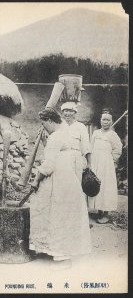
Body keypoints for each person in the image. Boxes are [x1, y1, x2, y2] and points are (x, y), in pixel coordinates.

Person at [29, 108, 91, 269]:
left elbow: (48, 165)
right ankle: (48, 250)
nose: (44, 127)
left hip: (59, 180)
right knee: (58, 215)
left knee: (58, 216)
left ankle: (63, 258)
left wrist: (36, 180)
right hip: (67, 178)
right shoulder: (66, 133)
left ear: (49, 121)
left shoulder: (56, 137)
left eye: (44, 124)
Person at [88, 112, 122, 224]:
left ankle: (106, 214)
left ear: (111, 122)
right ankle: (98, 211)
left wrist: (111, 160)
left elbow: (118, 149)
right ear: (100, 121)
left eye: (108, 120)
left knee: (106, 187)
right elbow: (91, 147)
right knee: (96, 185)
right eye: (103, 119)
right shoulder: (96, 133)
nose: (105, 122)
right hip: (95, 163)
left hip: (107, 165)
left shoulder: (113, 135)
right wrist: (90, 162)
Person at [60, 102, 91, 182]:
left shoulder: (81, 126)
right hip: (62, 158)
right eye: (65, 111)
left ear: (75, 113)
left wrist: (89, 163)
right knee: (62, 182)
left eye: (70, 111)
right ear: (62, 113)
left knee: (76, 182)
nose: (67, 113)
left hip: (76, 158)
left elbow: (86, 146)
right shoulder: (59, 126)